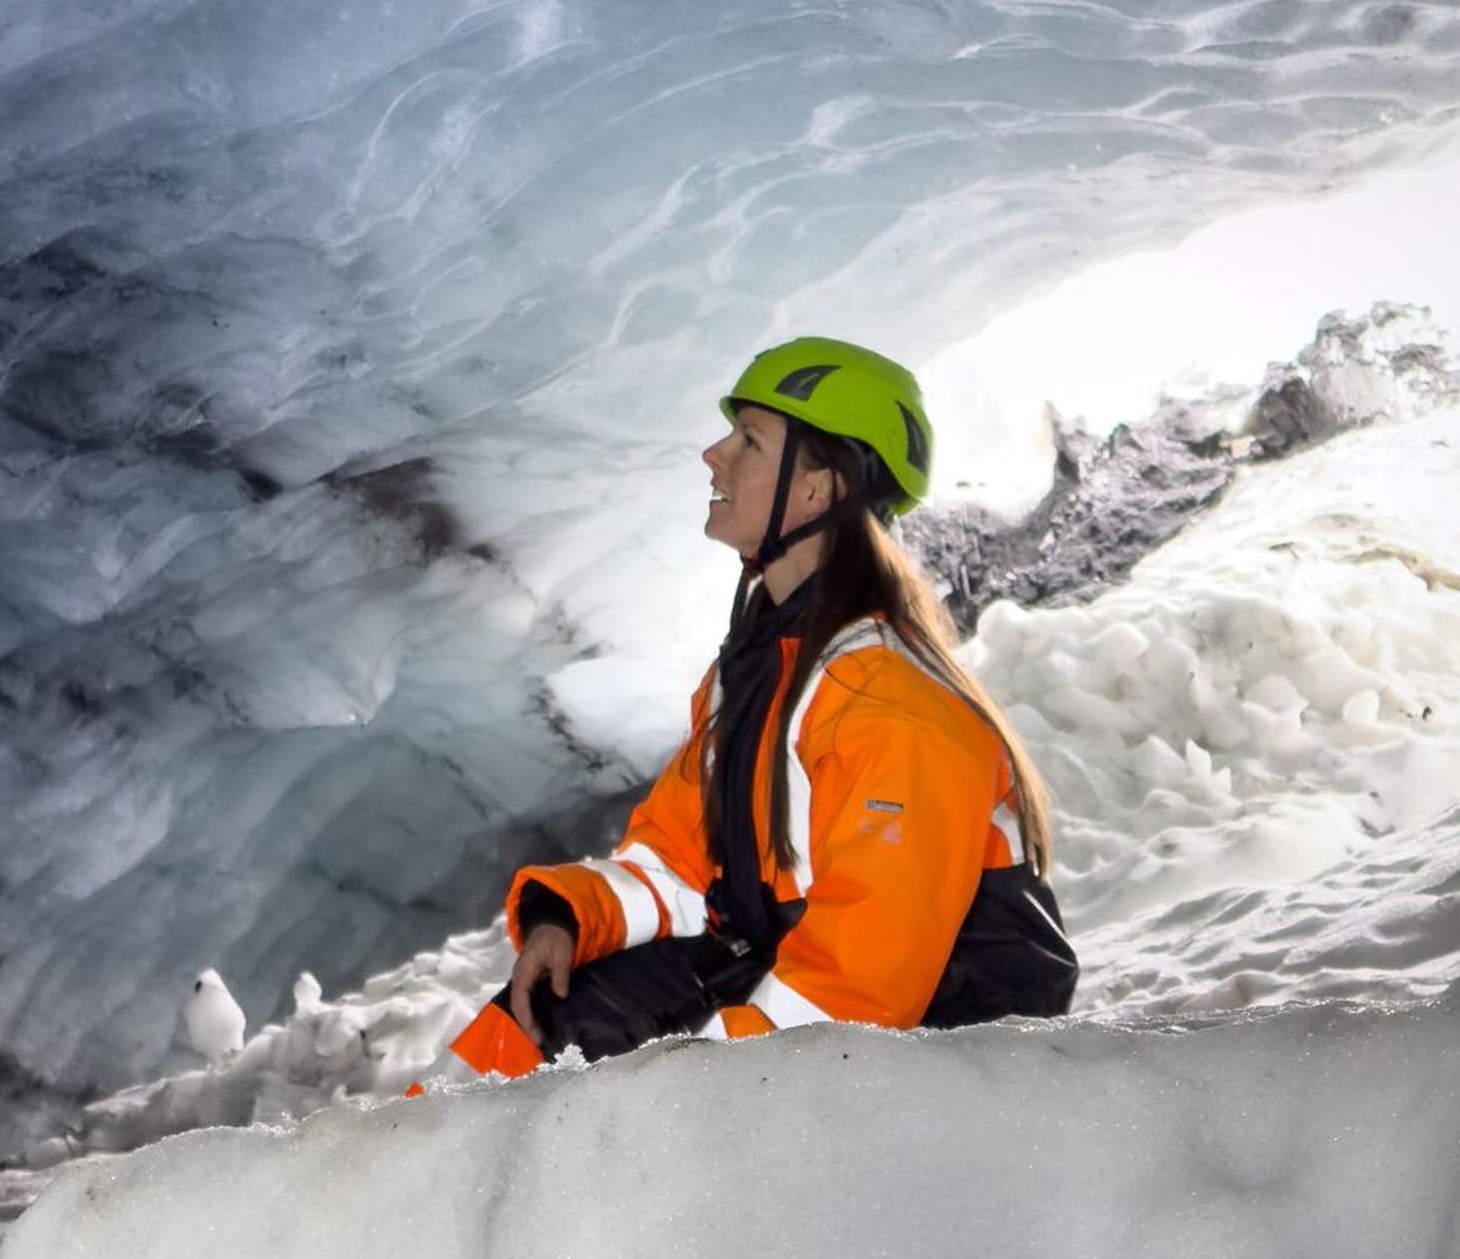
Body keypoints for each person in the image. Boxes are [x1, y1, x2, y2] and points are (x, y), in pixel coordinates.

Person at [444, 334, 1075, 1078]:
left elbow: (858, 991)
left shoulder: (888, 704)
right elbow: (680, 865)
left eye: (750, 439)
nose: (714, 454)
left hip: (958, 1063)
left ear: (819, 488)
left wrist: (696, 1089)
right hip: (815, 998)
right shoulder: (757, 674)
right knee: (537, 1022)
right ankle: (411, 1182)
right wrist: (571, 918)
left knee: (607, 1098)